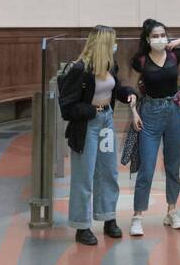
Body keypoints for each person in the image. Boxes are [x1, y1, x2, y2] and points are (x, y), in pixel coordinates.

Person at [58, 25, 139, 245]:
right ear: (103, 43)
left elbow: (115, 88)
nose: (116, 45)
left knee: (108, 172)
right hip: (87, 125)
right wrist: (91, 110)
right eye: (112, 41)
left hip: (106, 121)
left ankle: (108, 218)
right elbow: (67, 107)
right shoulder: (80, 69)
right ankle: (81, 225)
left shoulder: (109, 64)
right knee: (84, 176)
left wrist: (129, 93)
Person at [128, 19, 180, 236]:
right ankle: (137, 215)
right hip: (149, 114)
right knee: (147, 167)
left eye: (163, 35)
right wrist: (134, 111)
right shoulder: (140, 61)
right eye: (155, 36)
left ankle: (172, 210)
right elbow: (131, 88)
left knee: (173, 166)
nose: (160, 39)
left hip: (174, 112)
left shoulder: (174, 55)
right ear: (147, 39)